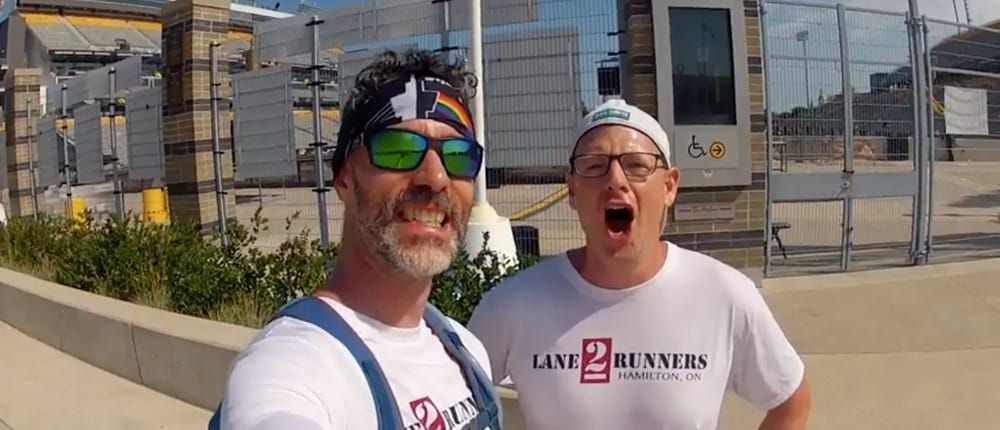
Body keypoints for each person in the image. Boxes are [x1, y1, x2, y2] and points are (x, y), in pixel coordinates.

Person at [467, 98, 811, 429]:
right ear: (571, 190)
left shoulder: (725, 295)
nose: (616, 180)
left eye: (636, 165)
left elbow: (791, 401)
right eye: (594, 165)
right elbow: (454, 403)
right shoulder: (513, 304)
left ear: (669, 186)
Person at [212, 49, 500, 430]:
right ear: (345, 178)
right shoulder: (295, 365)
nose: (436, 178)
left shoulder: (466, 350)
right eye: (398, 150)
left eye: (458, 155)